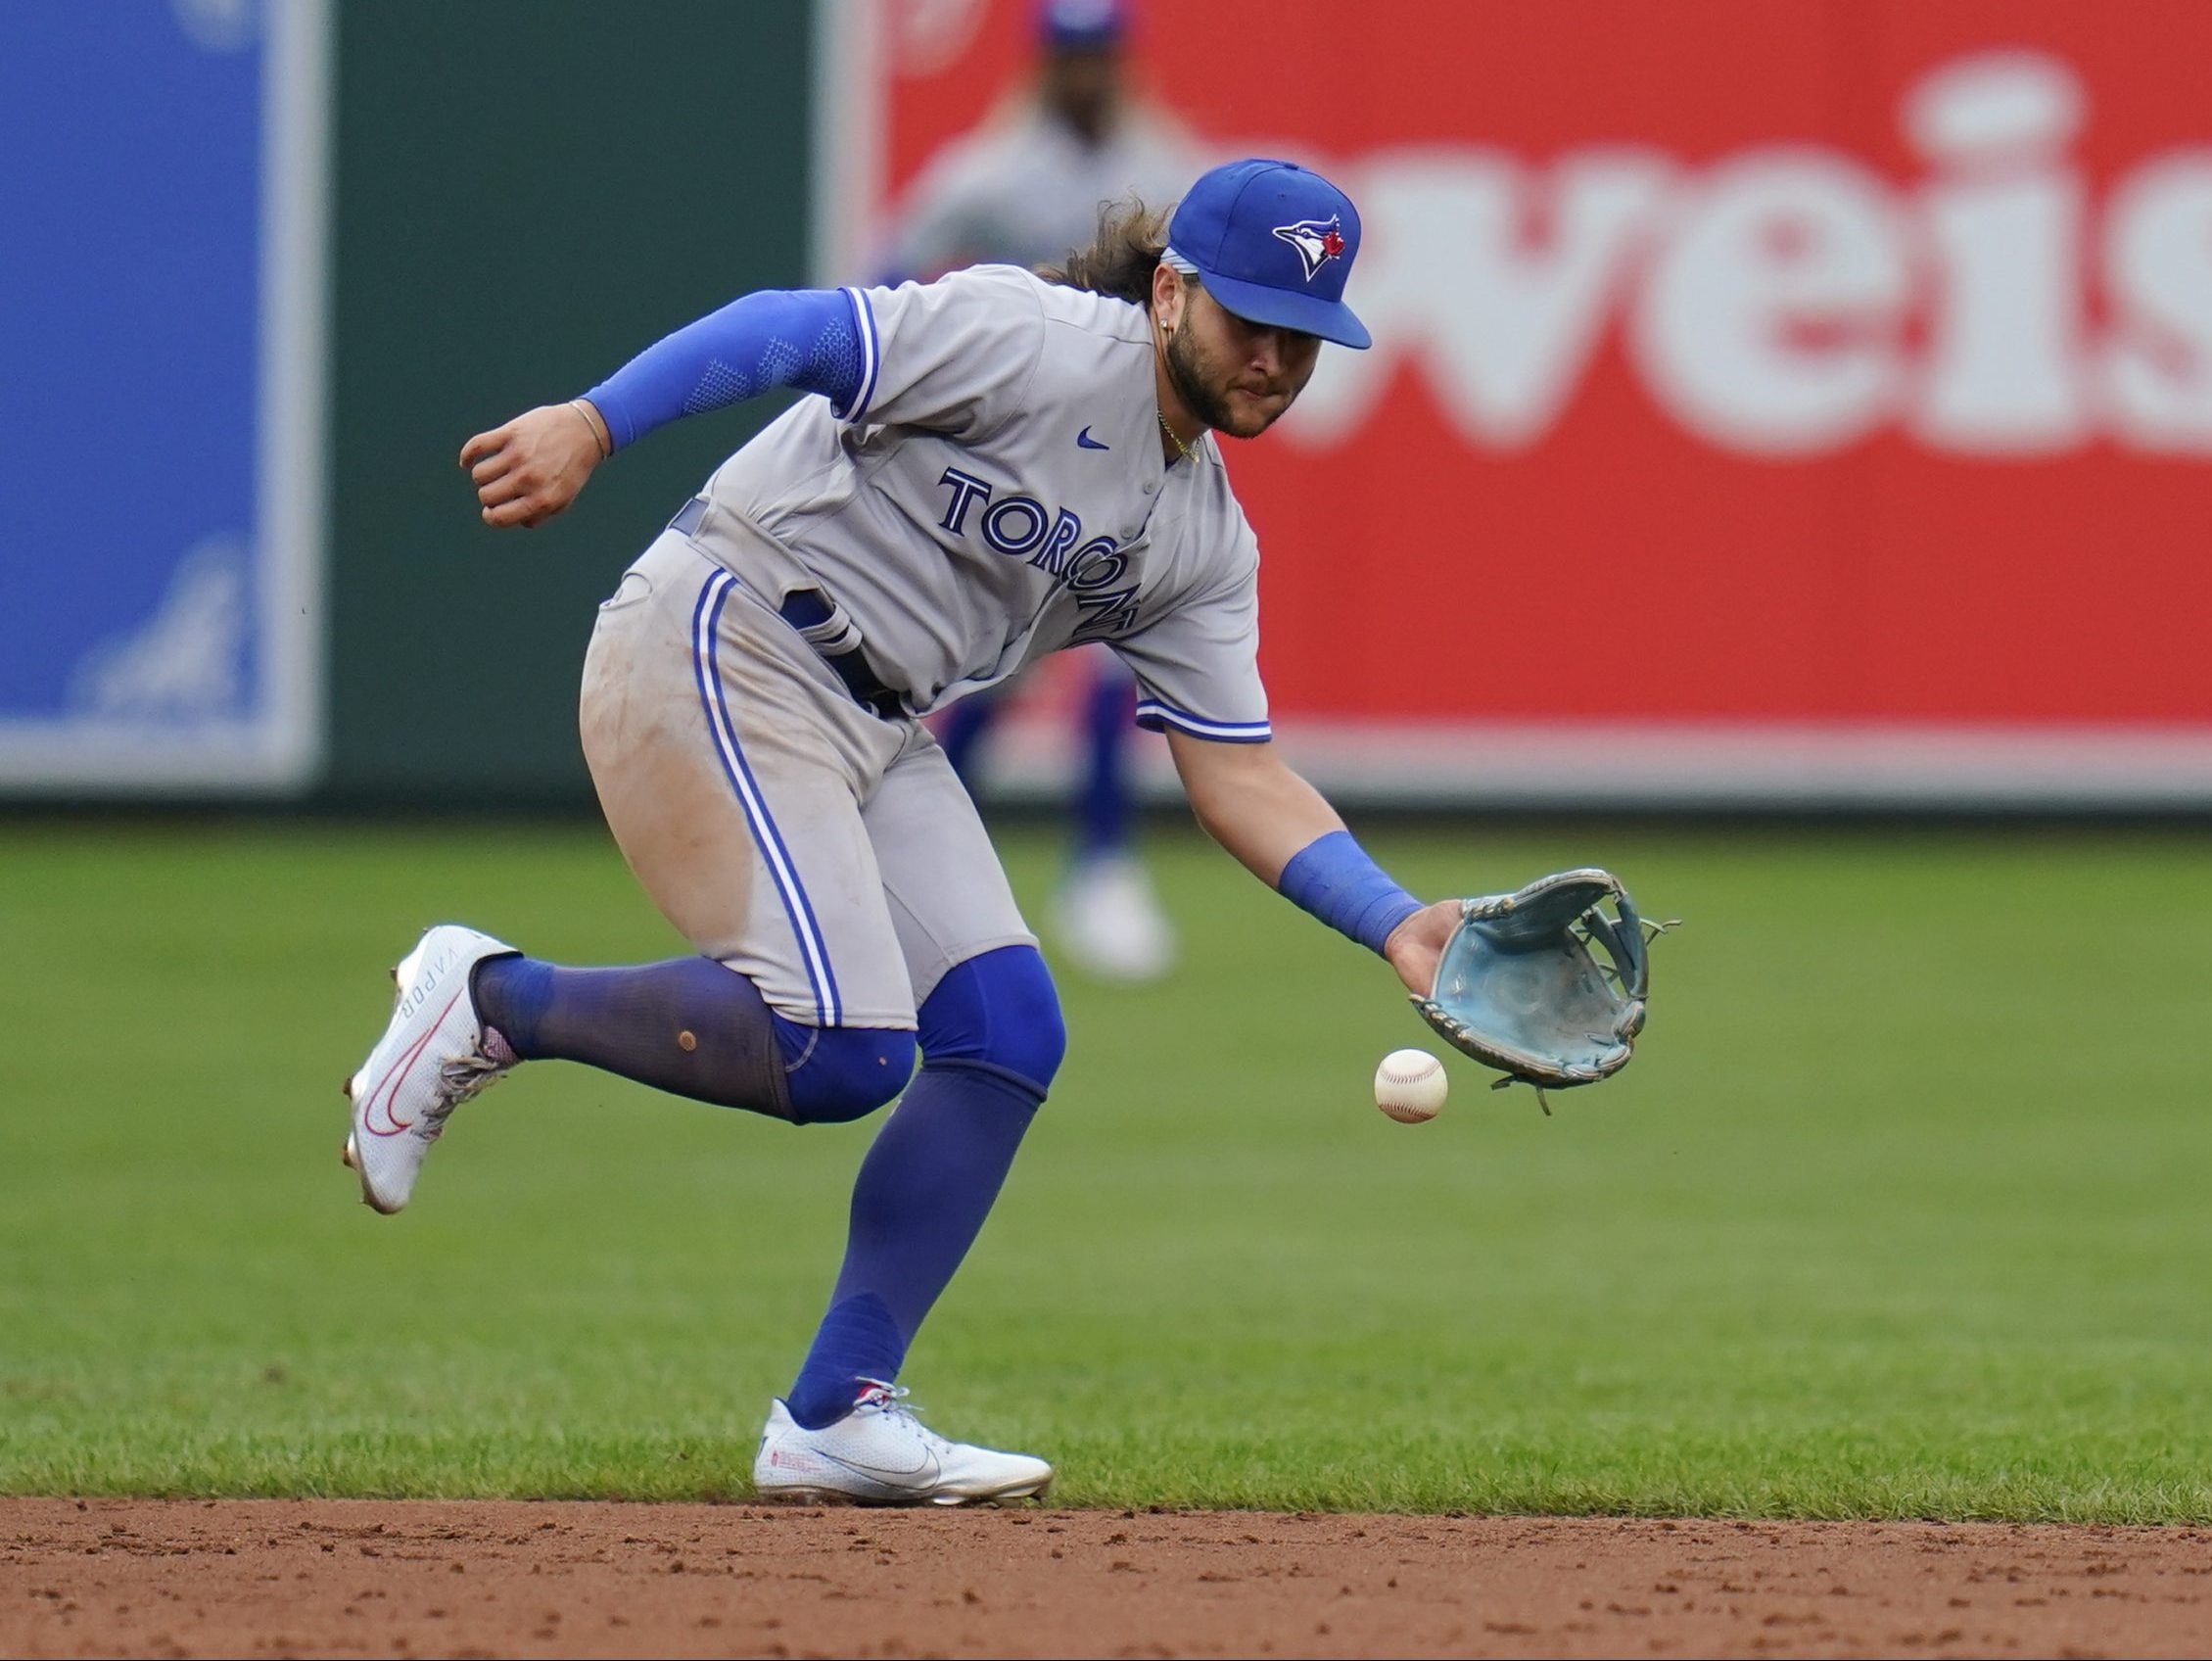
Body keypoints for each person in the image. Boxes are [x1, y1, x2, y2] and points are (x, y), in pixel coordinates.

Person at [340, 158, 1461, 1506]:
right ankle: (489, 997)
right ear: (1169, 292)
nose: (1274, 358)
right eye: (1248, 319)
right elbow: (792, 327)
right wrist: (594, 421)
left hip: (875, 723)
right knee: (839, 1048)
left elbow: (1238, 774)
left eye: (1304, 335)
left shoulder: (1202, 539)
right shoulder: (1034, 343)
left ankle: (833, 1410)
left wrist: (1390, 919)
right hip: (729, 633)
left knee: (1006, 1033)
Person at [884, 0, 1200, 982]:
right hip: (1019, 449)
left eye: (1100, 53)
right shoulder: (990, 172)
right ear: (1042, 65)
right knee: (1001, 665)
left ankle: (1102, 869)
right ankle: (907, 847)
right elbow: (887, 276)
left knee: (1123, 656)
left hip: (1135, 453)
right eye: (1071, 56)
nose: (1087, 72)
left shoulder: (1172, 165)